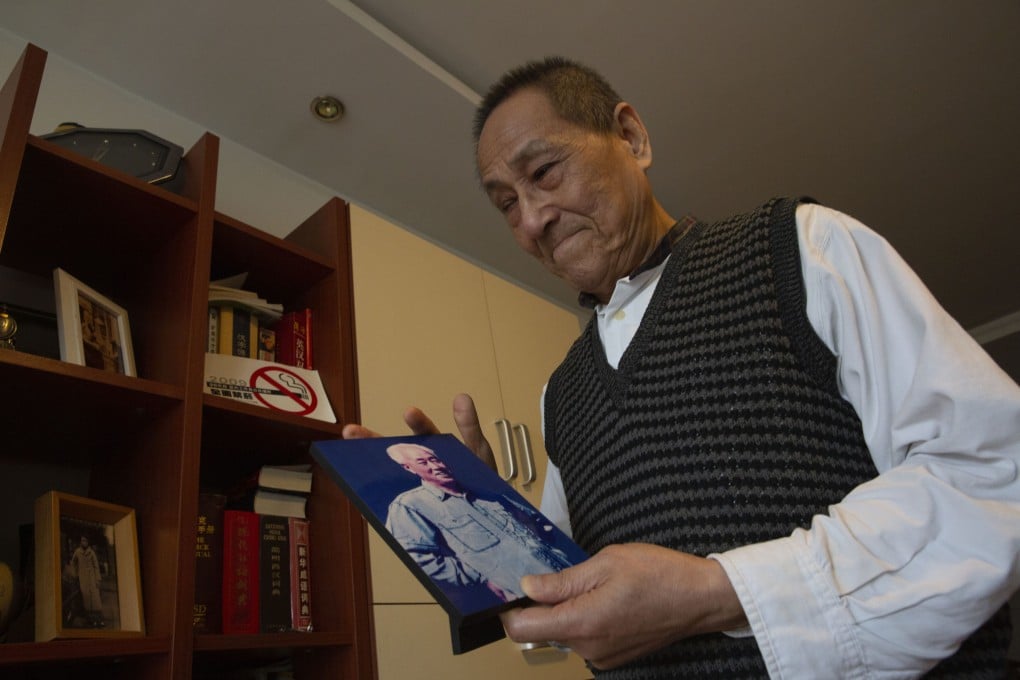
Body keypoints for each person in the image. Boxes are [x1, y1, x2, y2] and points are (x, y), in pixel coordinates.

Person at [344, 56, 1020, 678]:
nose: (532, 219)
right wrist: (494, 528)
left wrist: (717, 593)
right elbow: (557, 621)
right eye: (505, 204)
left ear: (632, 138)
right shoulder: (561, 395)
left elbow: (990, 476)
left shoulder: (801, 246)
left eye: (544, 172)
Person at [384, 442, 573, 604]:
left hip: (569, 574)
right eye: (423, 462)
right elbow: (419, 560)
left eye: (434, 459)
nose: (436, 465)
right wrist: (482, 578)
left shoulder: (486, 494)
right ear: (408, 468)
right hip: (529, 596)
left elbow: (536, 521)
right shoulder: (410, 505)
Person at [68, 535, 104, 628]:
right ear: (80, 542)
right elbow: (73, 563)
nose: (84, 542)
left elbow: (96, 566)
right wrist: (75, 574)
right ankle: (90, 620)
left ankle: (99, 619)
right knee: (86, 599)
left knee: (96, 599)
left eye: (85, 541)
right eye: (82, 540)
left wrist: (98, 579)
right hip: (83, 579)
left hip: (92, 578)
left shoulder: (91, 553)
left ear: (88, 542)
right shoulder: (77, 552)